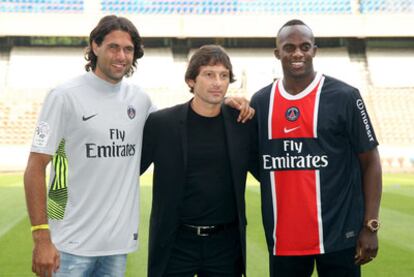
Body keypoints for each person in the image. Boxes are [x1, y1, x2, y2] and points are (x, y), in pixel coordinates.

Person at [24, 16, 253, 277]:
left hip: (116, 246)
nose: (121, 55)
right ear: (95, 46)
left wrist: (226, 104)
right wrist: (41, 236)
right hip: (70, 243)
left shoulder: (140, 101)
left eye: (128, 49)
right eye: (113, 47)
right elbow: (35, 166)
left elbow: (186, 122)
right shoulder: (64, 95)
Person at [250, 19, 382, 276]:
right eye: (289, 47)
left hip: (340, 236)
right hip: (284, 239)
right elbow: (255, 161)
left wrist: (370, 226)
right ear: (278, 53)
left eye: (305, 46)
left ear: (314, 51)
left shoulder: (345, 96)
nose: (298, 53)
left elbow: (371, 161)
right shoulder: (262, 101)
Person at [140, 45, 258, 277]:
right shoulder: (161, 124)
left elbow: (267, 172)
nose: (217, 82)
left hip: (224, 245)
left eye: (224, 76)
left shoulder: (241, 123)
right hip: (176, 242)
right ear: (191, 80)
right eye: (209, 74)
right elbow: (127, 171)